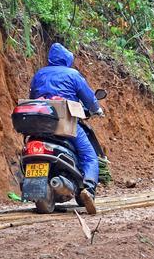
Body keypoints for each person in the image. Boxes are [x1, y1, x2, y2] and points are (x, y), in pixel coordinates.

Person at [30, 43, 103, 214]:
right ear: (67, 59)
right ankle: (89, 189)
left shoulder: (39, 74)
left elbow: (32, 97)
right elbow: (89, 99)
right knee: (89, 155)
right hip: (65, 124)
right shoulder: (73, 75)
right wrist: (97, 109)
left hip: (38, 125)